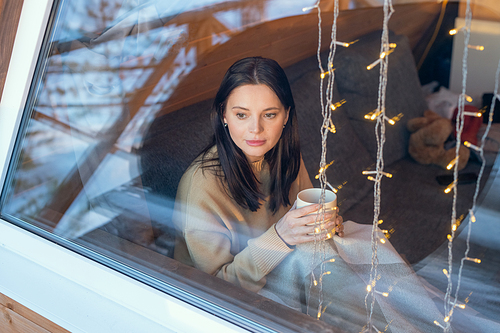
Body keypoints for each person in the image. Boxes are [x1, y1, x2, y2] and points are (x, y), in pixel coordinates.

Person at [173, 56, 343, 293]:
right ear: (224, 115)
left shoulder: (286, 156)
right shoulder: (201, 185)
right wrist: (280, 237)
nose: (256, 129)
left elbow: (305, 216)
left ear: (285, 116)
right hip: (233, 301)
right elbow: (218, 286)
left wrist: (325, 224)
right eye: (242, 115)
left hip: (290, 270)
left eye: (269, 114)